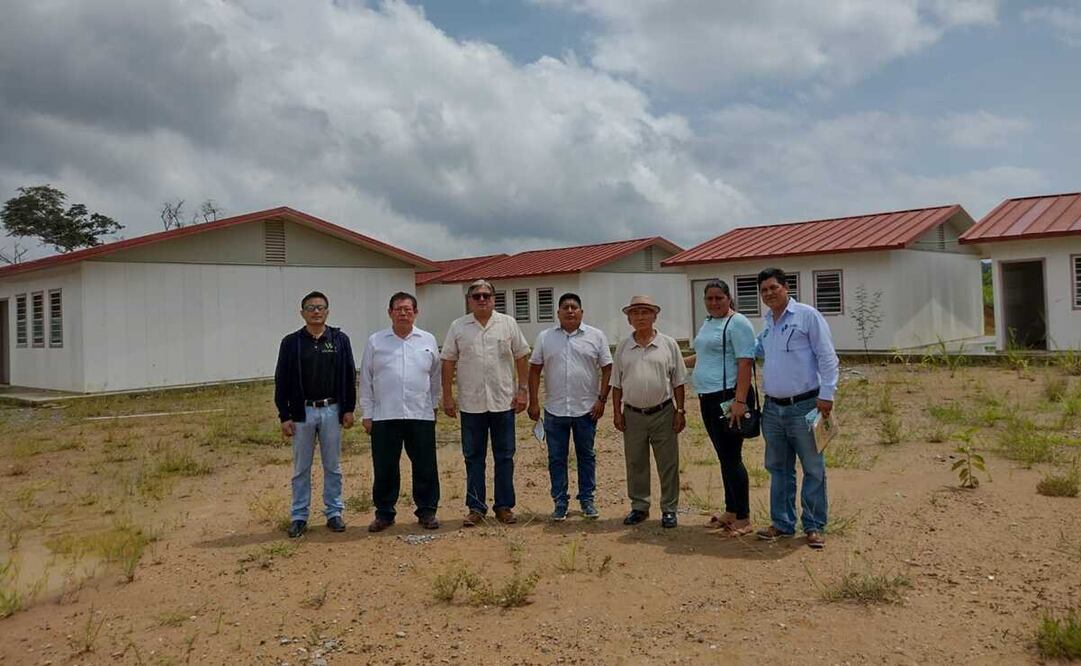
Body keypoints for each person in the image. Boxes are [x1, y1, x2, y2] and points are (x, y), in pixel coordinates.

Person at [754, 268, 839, 549]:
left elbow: (827, 356)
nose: (769, 293)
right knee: (778, 468)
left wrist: (827, 394)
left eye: (773, 287)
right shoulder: (768, 323)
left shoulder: (806, 316)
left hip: (805, 406)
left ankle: (814, 525)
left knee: (813, 468)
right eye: (764, 290)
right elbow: (757, 350)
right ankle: (782, 523)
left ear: (786, 287)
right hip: (772, 409)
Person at [441, 279, 530, 526]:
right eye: (476, 296)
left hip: (503, 402)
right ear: (469, 300)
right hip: (472, 404)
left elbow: (522, 356)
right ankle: (476, 508)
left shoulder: (508, 324)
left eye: (486, 295)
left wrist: (523, 390)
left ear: (493, 299)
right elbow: (448, 361)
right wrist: (447, 395)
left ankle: (504, 506)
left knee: (505, 456)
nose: (481, 299)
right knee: (473, 457)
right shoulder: (458, 326)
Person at [274, 291, 356, 538]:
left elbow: (349, 375)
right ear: (303, 313)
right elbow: (281, 379)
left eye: (320, 307)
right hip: (302, 413)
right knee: (301, 468)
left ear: (327, 311)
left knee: (333, 465)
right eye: (311, 308)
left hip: (331, 410)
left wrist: (348, 409)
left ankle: (334, 512)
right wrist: (284, 415)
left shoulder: (339, 340)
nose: (316, 311)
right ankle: (299, 516)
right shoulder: (292, 342)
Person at [359, 292, 442, 533]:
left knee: (425, 466)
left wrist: (433, 406)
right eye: (398, 309)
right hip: (385, 415)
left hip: (420, 414)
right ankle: (384, 513)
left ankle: (427, 511)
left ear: (416, 313)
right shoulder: (376, 341)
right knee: (385, 467)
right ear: (390, 313)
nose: (403, 313)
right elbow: (366, 379)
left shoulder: (428, 340)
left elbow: (435, 377)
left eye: (408, 309)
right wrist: (367, 413)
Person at [527, 293, 613, 521]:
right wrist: (533, 401)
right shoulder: (545, 337)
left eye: (574, 307)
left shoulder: (596, 336)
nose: (570, 311)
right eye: (565, 307)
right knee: (556, 458)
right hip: (555, 410)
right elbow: (534, 370)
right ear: (558, 313)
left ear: (581, 312)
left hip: (587, 409)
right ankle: (560, 501)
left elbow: (608, 369)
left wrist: (602, 399)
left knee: (586, 456)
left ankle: (587, 500)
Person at [684, 279, 755, 536]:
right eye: (709, 298)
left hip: (728, 398)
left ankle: (743, 518)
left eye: (719, 298)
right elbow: (704, 356)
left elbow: (745, 362)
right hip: (707, 397)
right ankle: (731, 511)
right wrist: (674, 361)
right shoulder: (709, 322)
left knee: (732, 457)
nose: (714, 303)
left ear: (728, 298)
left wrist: (740, 401)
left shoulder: (738, 323)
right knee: (724, 457)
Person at [611, 295, 688, 529]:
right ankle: (639, 507)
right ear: (629, 319)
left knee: (668, 463)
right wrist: (617, 413)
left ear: (655, 316)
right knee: (636, 462)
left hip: (663, 412)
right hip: (633, 415)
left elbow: (678, 381)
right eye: (635, 313)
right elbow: (616, 383)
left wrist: (680, 411)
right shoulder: (623, 347)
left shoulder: (669, 344)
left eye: (645, 312)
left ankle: (669, 509)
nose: (640, 317)